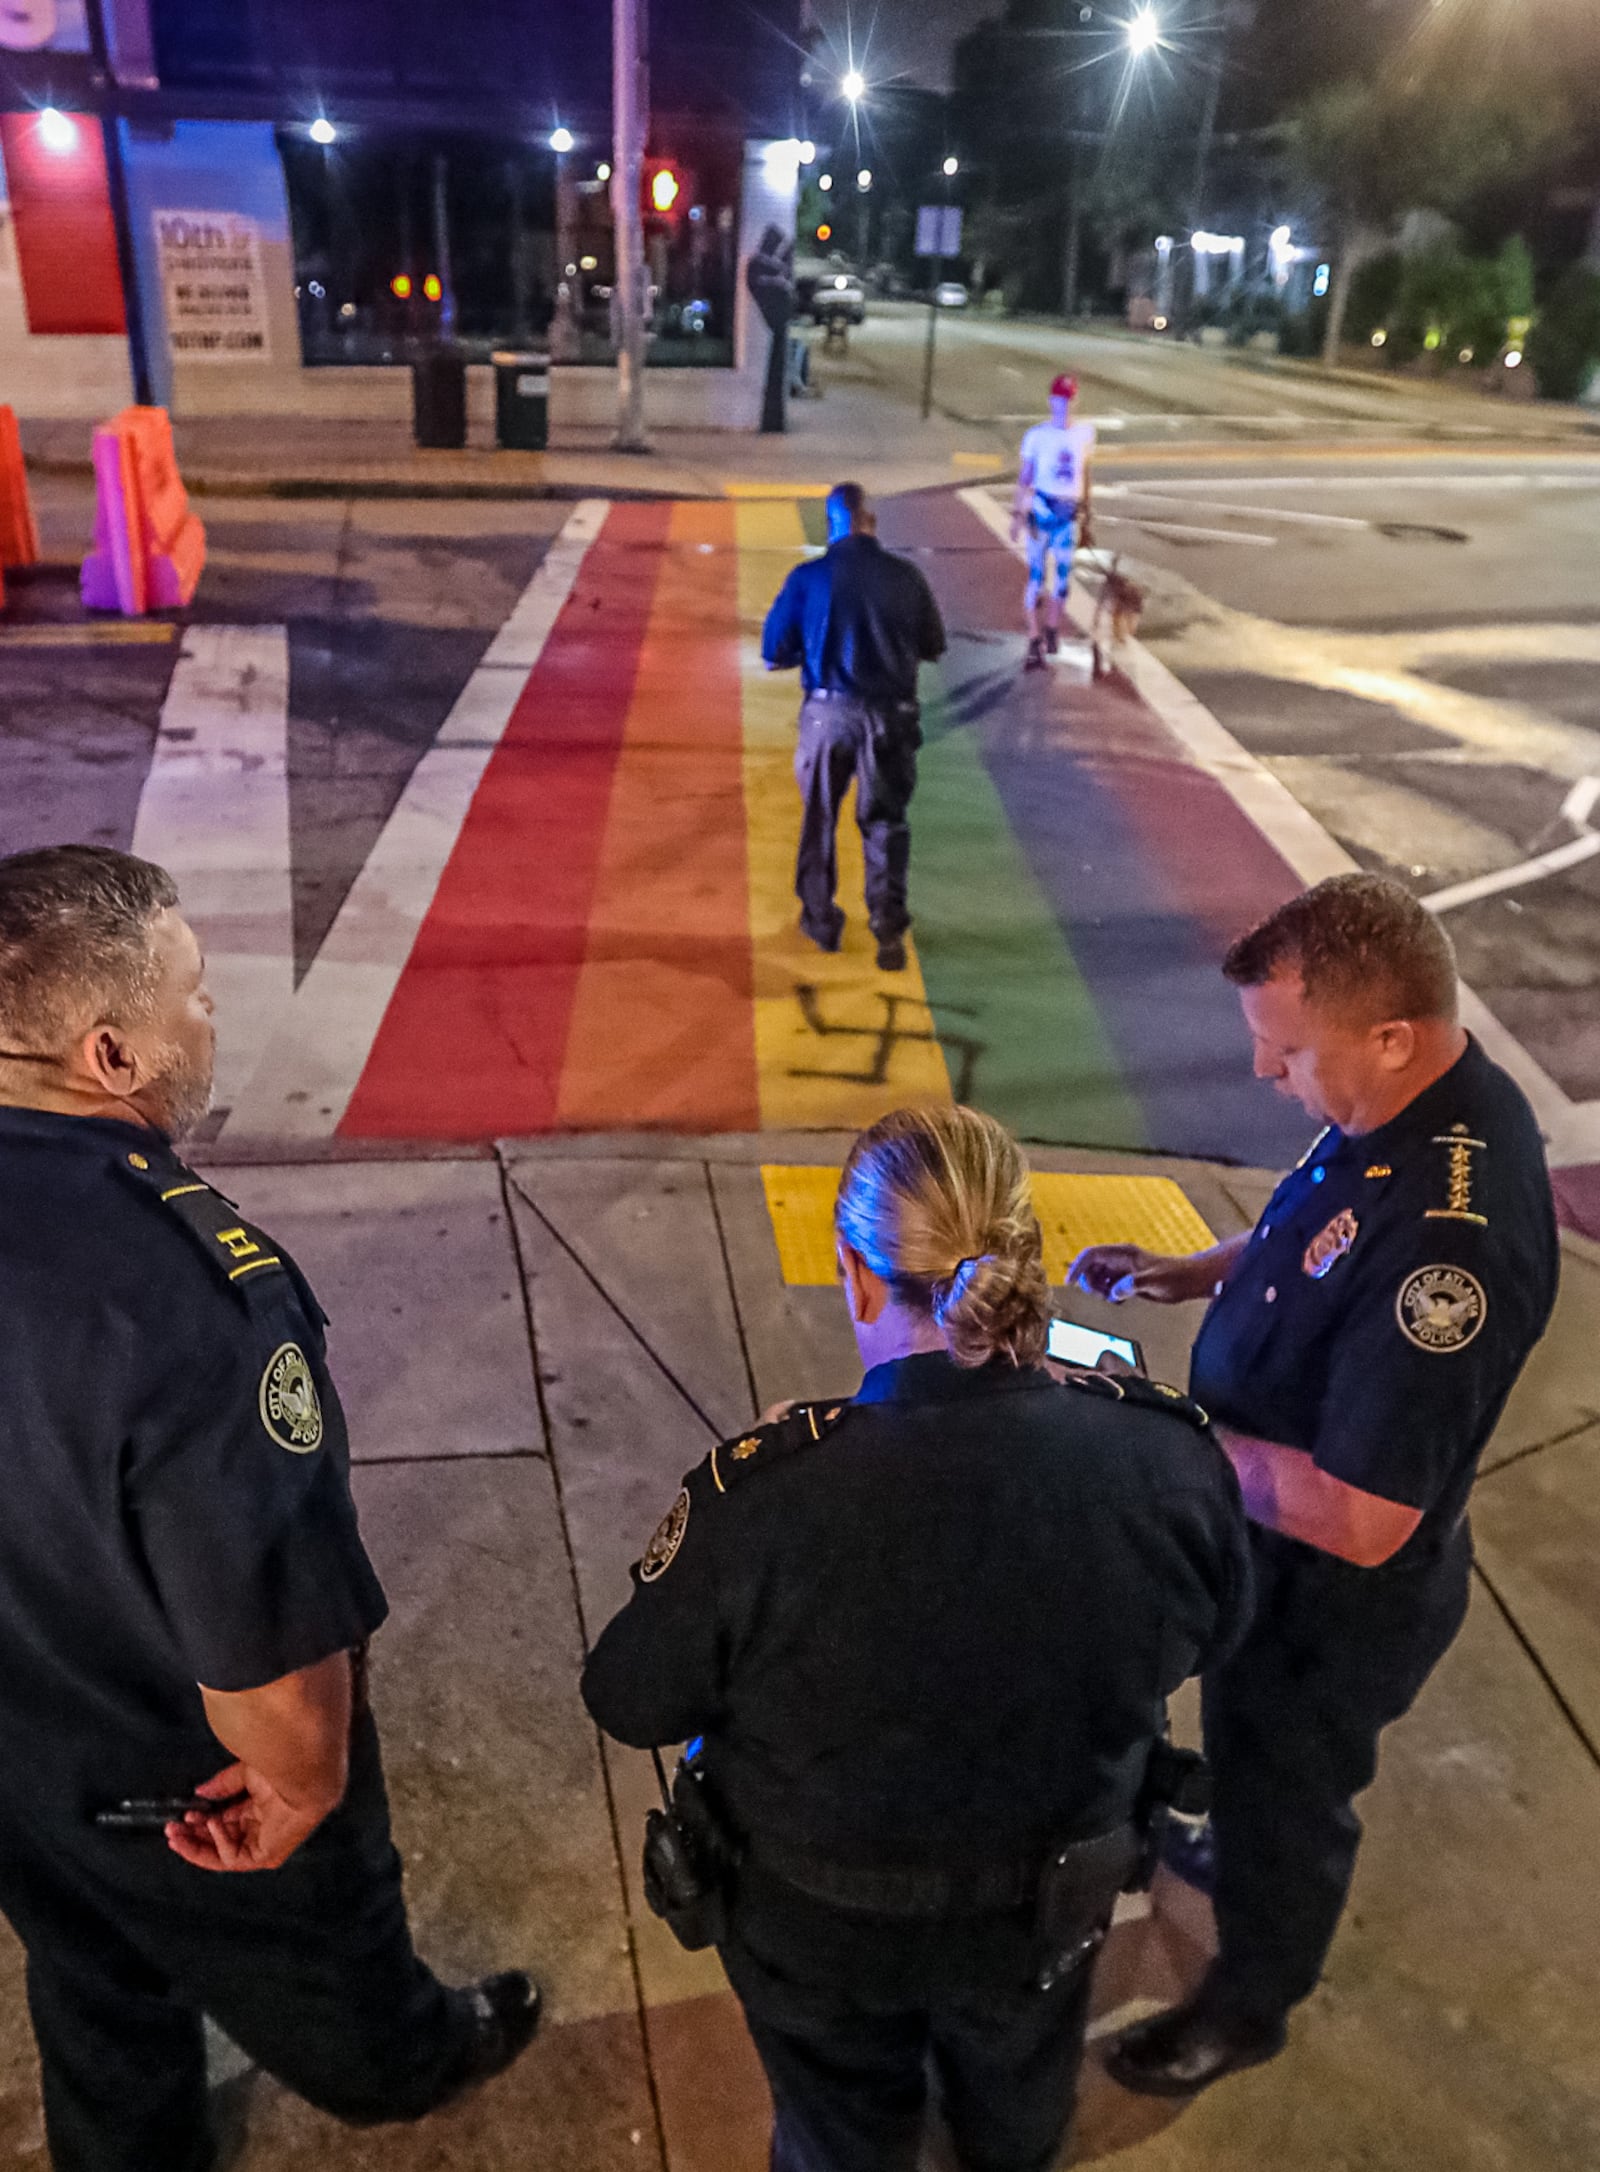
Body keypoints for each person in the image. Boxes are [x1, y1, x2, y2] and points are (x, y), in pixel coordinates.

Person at [0, 844, 540, 2171]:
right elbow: (269, 1646)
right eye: (195, 992)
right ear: (111, 1057)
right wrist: (299, 1788)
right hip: (177, 1785)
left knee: (88, 1974)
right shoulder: (191, 1301)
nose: (213, 1014)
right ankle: (406, 2060)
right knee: (331, 1969)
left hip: (19, 1755)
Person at [583, 1104, 1252, 2172]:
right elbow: (1218, 1635)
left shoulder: (765, 1499)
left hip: (815, 1930)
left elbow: (628, 1700)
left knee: (839, 2125)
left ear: (856, 1275)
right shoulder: (1166, 1461)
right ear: (1023, 1257)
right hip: (1045, 1914)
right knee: (1020, 2098)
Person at [1068, 873, 1560, 2095]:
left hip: (1326, 1608)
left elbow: (1360, 1512)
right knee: (1242, 1762)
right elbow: (1315, 1225)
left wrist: (1170, 1439)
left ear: (1391, 1036)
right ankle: (1228, 1840)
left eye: (1282, 1053)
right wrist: (1195, 1272)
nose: (1259, 1076)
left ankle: (1248, 2001)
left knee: (1289, 1792)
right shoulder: (1397, 1109)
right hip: (1264, 1554)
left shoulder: (1455, 1245)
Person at [761, 481, 947, 973]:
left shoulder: (808, 578)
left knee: (820, 814)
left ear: (832, 524)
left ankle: (822, 920)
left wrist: (812, 649)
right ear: (870, 521)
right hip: (890, 715)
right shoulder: (906, 577)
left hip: (828, 714)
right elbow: (933, 643)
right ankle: (887, 926)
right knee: (885, 820)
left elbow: (772, 650)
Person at [1010, 375, 1095, 673]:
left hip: (1068, 518)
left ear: (1075, 401)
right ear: (1051, 400)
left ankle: (1052, 627)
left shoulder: (1085, 434)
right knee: (1036, 577)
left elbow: (1084, 474)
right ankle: (1034, 639)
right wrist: (1017, 514)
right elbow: (1026, 476)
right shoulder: (1037, 436)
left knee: (1062, 581)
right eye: (1060, 398)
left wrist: (1087, 513)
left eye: (1069, 398)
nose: (1064, 404)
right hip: (1042, 513)